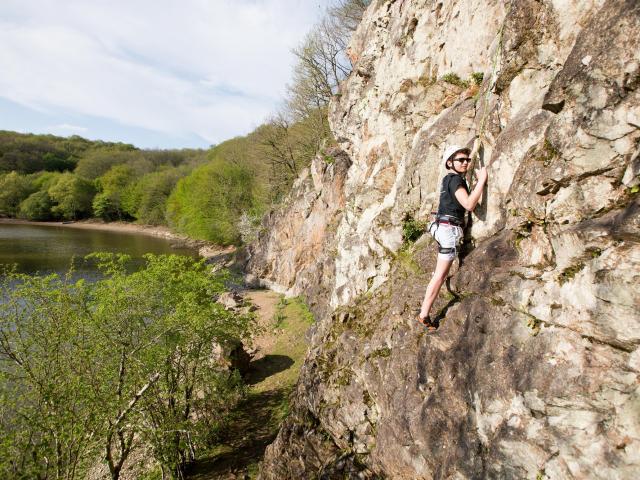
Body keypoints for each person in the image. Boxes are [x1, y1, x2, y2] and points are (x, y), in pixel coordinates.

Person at [417, 144, 488, 331]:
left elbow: (462, 161)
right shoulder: (456, 181)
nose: (465, 163)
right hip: (449, 231)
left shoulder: (448, 179)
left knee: (439, 273)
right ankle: (424, 314)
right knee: (439, 276)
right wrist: (482, 180)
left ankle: (425, 310)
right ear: (450, 163)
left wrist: (473, 150)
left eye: (467, 160)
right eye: (461, 160)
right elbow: (469, 204)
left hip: (440, 227)